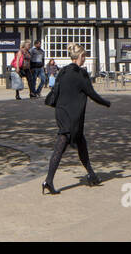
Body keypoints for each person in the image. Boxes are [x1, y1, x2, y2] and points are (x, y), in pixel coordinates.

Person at [42, 42, 111, 194]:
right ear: (80, 56)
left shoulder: (63, 71)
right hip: (73, 115)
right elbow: (91, 93)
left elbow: (56, 90)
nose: (84, 59)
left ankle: (91, 174)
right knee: (61, 145)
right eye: (84, 56)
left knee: (81, 143)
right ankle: (48, 180)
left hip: (61, 112)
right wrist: (106, 103)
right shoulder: (81, 74)